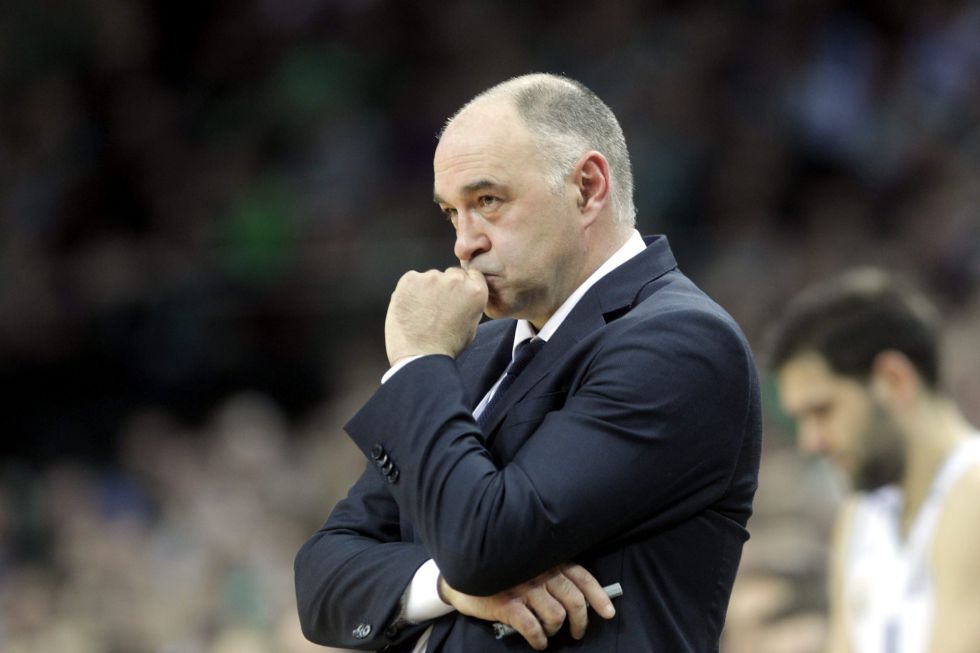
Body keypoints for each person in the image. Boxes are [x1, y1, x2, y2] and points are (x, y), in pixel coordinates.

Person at [294, 73, 762, 652]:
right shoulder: (469, 353)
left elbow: (484, 545)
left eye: (487, 202)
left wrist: (416, 360)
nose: (464, 243)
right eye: (452, 213)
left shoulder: (679, 342)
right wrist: (445, 585)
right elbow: (320, 577)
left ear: (587, 188)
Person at [768, 269, 980, 653]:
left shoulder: (973, 488)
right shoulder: (859, 518)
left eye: (822, 410)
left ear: (894, 379)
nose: (810, 443)